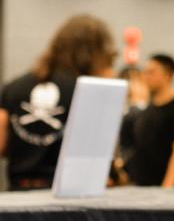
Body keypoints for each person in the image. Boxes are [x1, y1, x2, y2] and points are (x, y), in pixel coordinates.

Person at [0, 14, 117, 191]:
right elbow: (96, 154)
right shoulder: (85, 89)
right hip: (66, 197)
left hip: (17, 194)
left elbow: (1, 144)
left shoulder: (14, 86)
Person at [127, 54, 174, 187]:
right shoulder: (149, 109)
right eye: (145, 72)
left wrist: (167, 189)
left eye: (152, 72)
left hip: (166, 193)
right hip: (144, 189)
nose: (146, 76)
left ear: (168, 75)